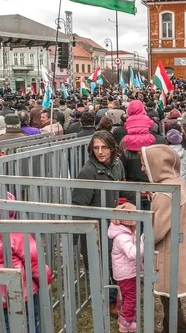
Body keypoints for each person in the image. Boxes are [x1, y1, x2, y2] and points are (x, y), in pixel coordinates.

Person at [140, 144, 186, 332]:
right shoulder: (176, 182)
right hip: (180, 249)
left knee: (169, 300)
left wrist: (142, 238)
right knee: (171, 300)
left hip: (170, 254)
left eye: (145, 164)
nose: (143, 169)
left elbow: (157, 230)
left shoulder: (166, 193)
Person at [0, 190, 53, 333]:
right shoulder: (17, 234)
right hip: (24, 292)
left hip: (0, 295)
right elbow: (34, 262)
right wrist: (46, 280)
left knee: (7, 325)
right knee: (30, 323)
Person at [72, 130, 127, 317]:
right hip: (94, 227)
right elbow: (78, 205)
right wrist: (76, 233)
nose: (100, 151)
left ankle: (115, 296)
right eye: (96, 147)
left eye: (104, 147)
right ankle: (107, 302)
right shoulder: (88, 171)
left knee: (114, 262)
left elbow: (121, 190)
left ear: (112, 148)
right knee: (100, 265)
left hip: (112, 223)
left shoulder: (117, 164)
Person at [107, 202, 143, 333]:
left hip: (124, 272)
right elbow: (133, 253)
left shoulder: (124, 234)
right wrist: (144, 243)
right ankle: (126, 323)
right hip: (127, 274)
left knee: (123, 296)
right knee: (131, 297)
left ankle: (122, 316)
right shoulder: (122, 237)